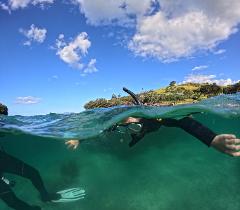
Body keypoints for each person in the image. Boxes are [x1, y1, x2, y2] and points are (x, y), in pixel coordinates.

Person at [65, 88, 240, 157]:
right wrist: (78, 139)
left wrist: (211, 139)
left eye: (133, 119)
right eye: (125, 121)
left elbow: (184, 122)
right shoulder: (117, 123)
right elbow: (100, 129)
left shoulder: (155, 117)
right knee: (133, 140)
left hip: (156, 125)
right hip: (143, 132)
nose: (130, 121)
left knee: (176, 119)